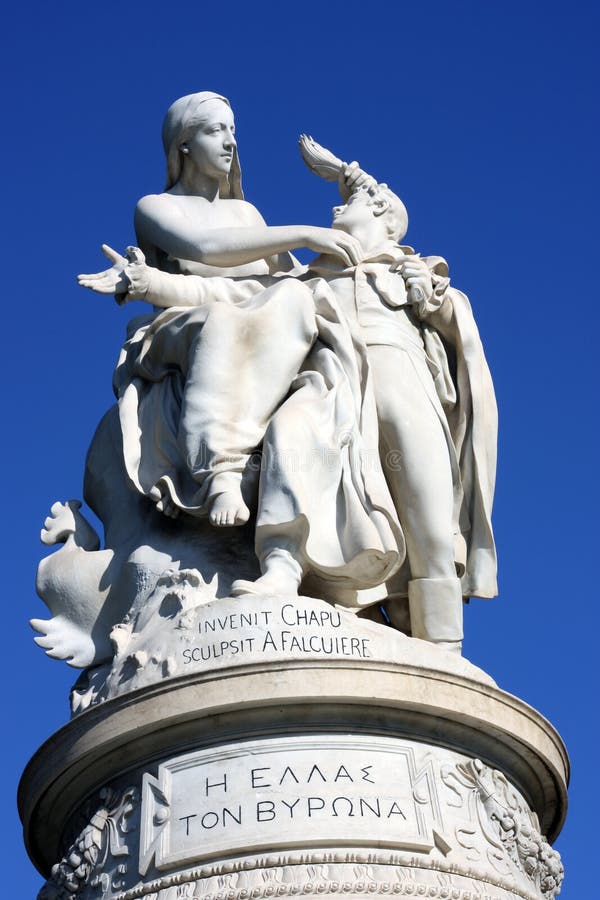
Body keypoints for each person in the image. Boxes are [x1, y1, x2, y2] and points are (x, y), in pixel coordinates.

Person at [81, 173, 497, 654]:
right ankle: (281, 566)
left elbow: (456, 330)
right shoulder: (304, 278)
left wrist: (434, 297)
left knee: (427, 509)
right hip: (337, 383)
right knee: (290, 431)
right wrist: (148, 281)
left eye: (353, 201)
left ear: (383, 212)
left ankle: (441, 642)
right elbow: (225, 296)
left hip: (405, 380)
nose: (336, 209)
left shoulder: (414, 272)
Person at [81, 91, 368, 528]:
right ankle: (220, 471)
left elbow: (298, 281)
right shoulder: (156, 207)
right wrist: (304, 234)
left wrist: (353, 188)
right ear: (183, 145)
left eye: (233, 130)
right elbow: (205, 248)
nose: (230, 142)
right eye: (215, 130)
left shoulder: (248, 214)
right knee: (223, 319)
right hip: (182, 326)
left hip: (258, 321)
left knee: (294, 301)